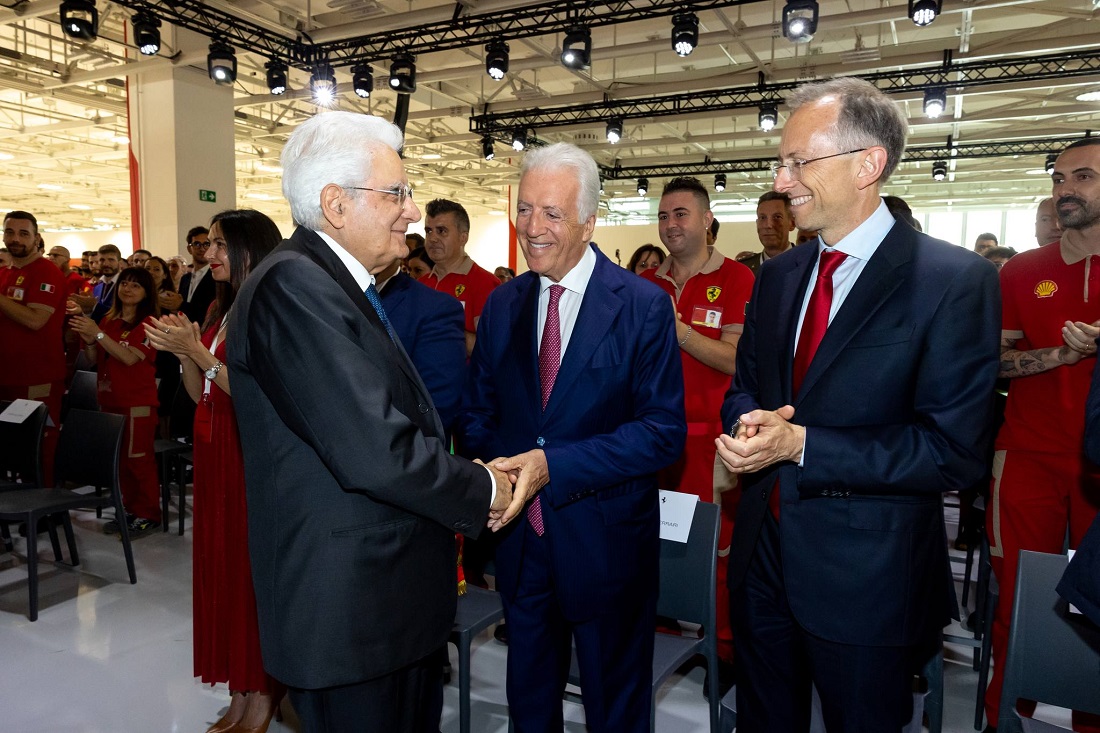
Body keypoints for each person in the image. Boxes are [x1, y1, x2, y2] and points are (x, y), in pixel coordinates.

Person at [716, 77, 1001, 732]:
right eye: (780, 163)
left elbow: (953, 451)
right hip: (763, 557)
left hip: (869, 579)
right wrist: (748, 422)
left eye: (798, 162)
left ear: (868, 164)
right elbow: (747, 384)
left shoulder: (953, 281)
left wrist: (803, 445)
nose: (781, 182)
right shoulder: (779, 275)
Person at [225, 111, 511, 733]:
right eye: (396, 193)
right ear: (336, 204)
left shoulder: (335, 283)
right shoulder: (293, 286)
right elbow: (376, 449)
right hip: (349, 612)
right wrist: (486, 487)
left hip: (384, 601)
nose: (412, 212)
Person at [459, 141, 686, 733]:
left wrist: (552, 464)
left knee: (615, 707)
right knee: (530, 700)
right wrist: (498, 472)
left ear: (588, 222)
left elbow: (662, 433)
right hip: (521, 542)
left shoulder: (642, 306)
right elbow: (477, 412)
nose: (532, 227)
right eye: (525, 209)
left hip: (606, 545)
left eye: (552, 213)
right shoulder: (503, 305)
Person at [145, 210, 285, 733]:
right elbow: (197, 392)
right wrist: (185, 353)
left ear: (251, 249)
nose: (210, 254)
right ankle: (239, 689)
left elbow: (256, 392)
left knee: (249, 577)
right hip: (214, 448)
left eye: (222, 245)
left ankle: (263, 693)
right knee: (222, 572)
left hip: (248, 452)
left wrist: (197, 353)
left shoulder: (269, 307)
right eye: (209, 245)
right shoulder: (219, 308)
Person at [984, 138, 1100, 733]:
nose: (1065, 190)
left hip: (1099, 468)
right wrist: (1058, 354)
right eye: (1058, 178)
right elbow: (991, 363)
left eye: (1083, 177)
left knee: (1097, 607)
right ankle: (1005, 713)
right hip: (1028, 455)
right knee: (1018, 594)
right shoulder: (1024, 271)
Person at [642, 176, 754, 687]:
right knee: (656, 542)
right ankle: (662, 634)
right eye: (664, 215)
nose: (670, 225)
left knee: (716, 550)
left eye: (681, 214)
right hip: (653, 436)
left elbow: (734, 359)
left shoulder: (736, 278)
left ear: (707, 220)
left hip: (712, 441)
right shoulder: (647, 282)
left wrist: (679, 331)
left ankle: (722, 649)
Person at [71, 267, 162, 535]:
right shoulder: (109, 320)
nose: (127, 289)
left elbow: (130, 357)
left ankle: (149, 514)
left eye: (136, 285)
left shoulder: (150, 324)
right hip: (109, 399)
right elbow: (92, 360)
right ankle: (131, 509)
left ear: (146, 292)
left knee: (138, 460)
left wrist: (98, 334)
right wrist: (90, 340)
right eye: (124, 284)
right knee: (120, 460)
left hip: (136, 403)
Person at [0, 211, 66, 483]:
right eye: (10, 232)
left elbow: (35, 320)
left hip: (37, 378)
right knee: (11, 446)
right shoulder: (5, 273)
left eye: (23, 233)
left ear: (36, 238)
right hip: (7, 376)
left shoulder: (46, 272)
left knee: (38, 446)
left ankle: (44, 502)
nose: (15, 239)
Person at [419, 198, 499, 355]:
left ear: (463, 237)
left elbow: (490, 348)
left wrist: (442, 331)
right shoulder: (420, 284)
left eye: (441, 231)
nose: (432, 238)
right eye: (428, 231)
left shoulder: (486, 284)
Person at [738, 191, 796, 273]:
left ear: (792, 223)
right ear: (757, 223)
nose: (768, 225)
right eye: (762, 218)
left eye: (777, 217)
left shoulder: (808, 264)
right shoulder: (742, 270)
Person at [179, 226, 216, 324]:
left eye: (206, 244)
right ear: (189, 249)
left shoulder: (216, 277)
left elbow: (211, 311)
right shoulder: (185, 279)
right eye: (197, 244)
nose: (202, 249)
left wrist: (180, 304)